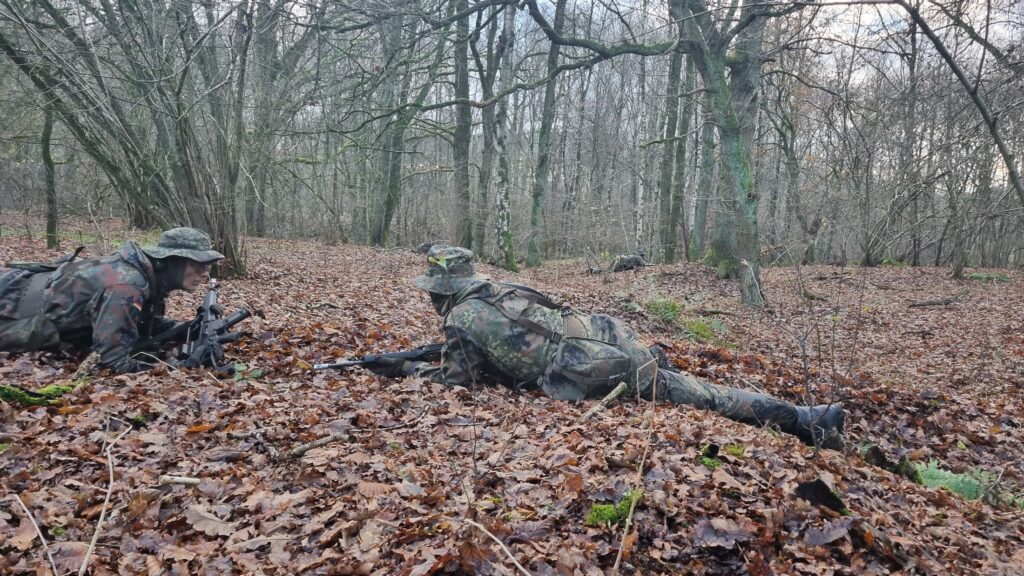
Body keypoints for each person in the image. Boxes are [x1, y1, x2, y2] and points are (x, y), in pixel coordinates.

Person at [371, 245, 846, 450]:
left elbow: (459, 382)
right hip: (604, 334)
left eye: (432, 289)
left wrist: (404, 370)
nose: (431, 296)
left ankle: (803, 422)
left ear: (439, 289)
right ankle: (804, 417)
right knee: (695, 389)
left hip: (590, 366)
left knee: (701, 396)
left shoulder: (460, 317)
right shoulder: (498, 290)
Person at [0, 227, 224, 373]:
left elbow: (141, 324)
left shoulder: (141, 273)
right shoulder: (126, 287)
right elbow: (112, 361)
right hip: (12, 320)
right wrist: (174, 367)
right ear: (174, 261)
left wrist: (186, 328)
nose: (205, 272)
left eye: (207, 265)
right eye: (199, 263)